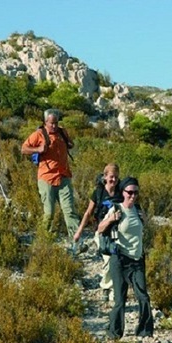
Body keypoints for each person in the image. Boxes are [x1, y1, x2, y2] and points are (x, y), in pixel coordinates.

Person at [98, 177, 154, 343]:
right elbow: (100, 228)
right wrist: (110, 219)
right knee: (120, 299)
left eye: (136, 192)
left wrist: (146, 220)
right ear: (122, 192)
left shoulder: (138, 210)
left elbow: (141, 232)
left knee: (143, 296)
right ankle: (114, 333)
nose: (133, 196)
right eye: (129, 192)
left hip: (137, 260)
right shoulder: (116, 209)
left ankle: (145, 332)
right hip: (120, 258)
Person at [21, 109, 80, 242]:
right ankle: (42, 240)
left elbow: (70, 144)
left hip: (64, 176)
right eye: (51, 123)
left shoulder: (62, 132)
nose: (54, 126)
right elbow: (24, 148)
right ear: (45, 122)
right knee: (49, 213)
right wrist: (38, 149)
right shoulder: (39, 134)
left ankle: (76, 241)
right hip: (46, 177)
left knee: (70, 210)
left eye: (56, 123)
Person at [74, 163, 122, 301]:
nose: (114, 180)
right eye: (111, 177)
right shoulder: (98, 193)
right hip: (102, 231)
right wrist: (79, 232)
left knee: (116, 258)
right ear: (105, 176)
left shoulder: (121, 192)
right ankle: (106, 287)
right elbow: (88, 213)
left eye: (116, 178)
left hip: (117, 231)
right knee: (108, 259)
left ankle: (112, 288)